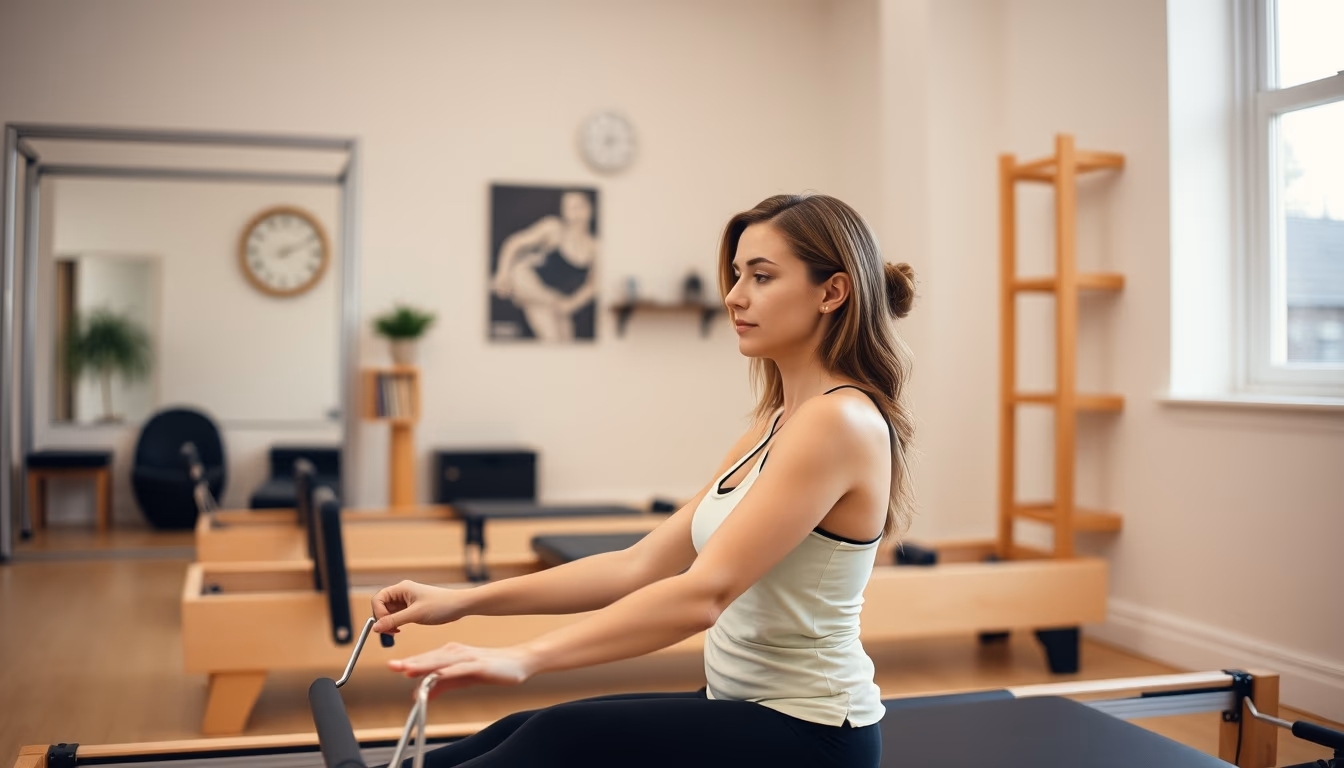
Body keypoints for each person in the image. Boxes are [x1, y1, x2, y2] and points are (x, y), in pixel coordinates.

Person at [372, 193, 917, 767]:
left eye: (762, 276)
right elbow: (638, 564)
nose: (734, 296)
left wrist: (526, 657)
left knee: (557, 738)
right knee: (526, 728)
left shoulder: (839, 421)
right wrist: (463, 602)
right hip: (739, 704)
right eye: (736, 275)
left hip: (809, 730)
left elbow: (701, 596)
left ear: (832, 292)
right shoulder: (776, 423)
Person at [491, 190, 598, 341]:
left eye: (579, 206)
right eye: (570, 207)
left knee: (566, 340)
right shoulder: (553, 228)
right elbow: (514, 243)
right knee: (552, 336)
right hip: (525, 281)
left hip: (550, 298)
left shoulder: (595, 248)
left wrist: (571, 305)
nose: (575, 213)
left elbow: (593, 285)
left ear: (590, 209)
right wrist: (502, 273)